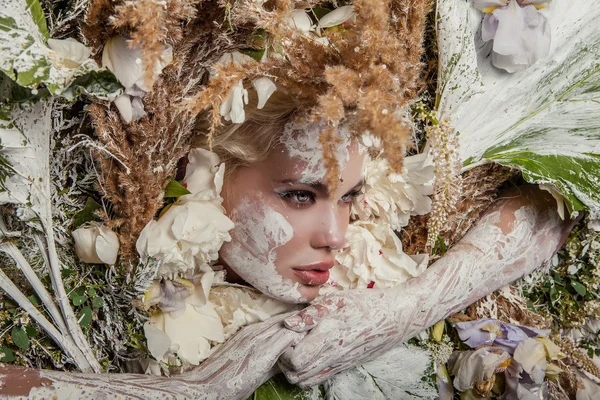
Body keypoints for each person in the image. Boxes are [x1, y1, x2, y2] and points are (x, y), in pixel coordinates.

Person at [0, 88, 576, 399]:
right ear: (207, 173)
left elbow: (551, 209)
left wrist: (408, 306)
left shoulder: (373, 243)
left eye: (350, 196)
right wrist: (204, 389)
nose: (337, 236)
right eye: (302, 195)